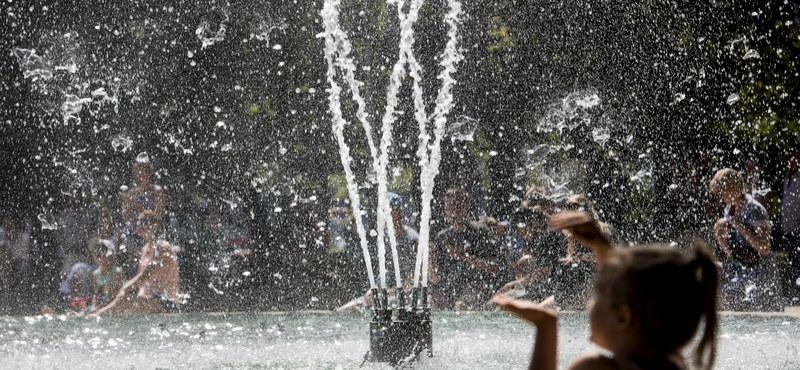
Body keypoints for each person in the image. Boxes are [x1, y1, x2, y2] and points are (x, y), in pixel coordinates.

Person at [494, 211, 718, 370]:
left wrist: (545, 325)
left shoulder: (596, 367)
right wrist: (600, 246)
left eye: (599, 293)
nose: (591, 301)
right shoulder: (671, 362)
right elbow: (626, 285)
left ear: (623, 316)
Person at [710, 168, 783, 311]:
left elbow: (765, 248)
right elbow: (733, 253)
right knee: (706, 268)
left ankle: (741, 308)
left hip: (759, 272)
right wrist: (719, 235)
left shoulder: (755, 209)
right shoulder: (729, 209)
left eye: (721, 192)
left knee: (718, 297)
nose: (720, 198)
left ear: (733, 187)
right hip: (741, 267)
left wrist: (740, 226)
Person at [430, 188, 504, 310]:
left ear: (466, 207)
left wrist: (463, 256)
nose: (453, 211)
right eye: (449, 207)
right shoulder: (442, 237)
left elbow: (494, 267)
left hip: (479, 285)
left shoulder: (480, 231)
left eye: (457, 206)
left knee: (461, 306)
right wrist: (430, 260)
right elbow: (436, 279)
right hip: (452, 288)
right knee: (429, 306)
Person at [93, 212, 179, 315]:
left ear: (155, 226)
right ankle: (97, 313)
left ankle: (96, 316)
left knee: (122, 303)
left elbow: (144, 276)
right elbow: (140, 280)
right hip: (147, 299)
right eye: (138, 221)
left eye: (142, 221)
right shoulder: (145, 248)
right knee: (123, 307)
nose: (138, 223)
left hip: (165, 302)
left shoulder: (163, 247)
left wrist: (124, 288)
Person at [120, 152, 165, 277]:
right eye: (137, 171)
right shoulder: (132, 192)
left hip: (149, 232)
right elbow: (125, 218)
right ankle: (138, 287)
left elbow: (157, 215)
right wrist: (126, 206)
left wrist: (134, 204)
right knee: (135, 262)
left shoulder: (157, 191)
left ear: (149, 172)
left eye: (143, 171)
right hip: (133, 232)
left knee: (148, 261)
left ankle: (148, 287)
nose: (140, 175)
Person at [782, 150, 800, 304]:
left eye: (791, 159)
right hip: (787, 228)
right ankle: (797, 293)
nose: (788, 162)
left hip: (797, 228)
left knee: (798, 262)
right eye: (786, 159)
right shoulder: (787, 177)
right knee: (793, 263)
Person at [89, 237, 125, 310]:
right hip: (102, 305)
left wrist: (100, 308)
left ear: (110, 255)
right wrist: (93, 307)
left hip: (114, 305)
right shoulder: (95, 274)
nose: (97, 253)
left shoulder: (117, 272)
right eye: (95, 251)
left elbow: (116, 296)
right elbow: (96, 295)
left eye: (102, 251)